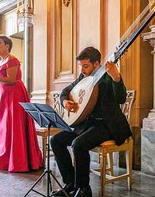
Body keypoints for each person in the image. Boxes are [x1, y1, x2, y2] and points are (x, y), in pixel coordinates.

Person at [50, 47, 132, 197]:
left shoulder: (107, 77)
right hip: (87, 124)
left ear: (96, 64)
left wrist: (117, 78)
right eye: (81, 65)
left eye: (85, 66)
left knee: (78, 145)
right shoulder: (83, 77)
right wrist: (65, 102)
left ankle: (84, 189)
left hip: (107, 125)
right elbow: (65, 91)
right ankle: (70, 184)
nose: (82, 69)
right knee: (55, 140)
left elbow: (121, 98)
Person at [0, 35, 43, 172]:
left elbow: (11, 79)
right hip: (5, 97)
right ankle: (6, 159)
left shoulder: (12, 60)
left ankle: (20, 162)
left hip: (16, 96)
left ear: (7, 46)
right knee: (5, 127)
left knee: (15, 126)